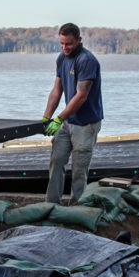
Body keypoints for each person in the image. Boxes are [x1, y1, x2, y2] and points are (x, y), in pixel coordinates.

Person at [41, 23, 103, 205]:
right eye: (61, 43)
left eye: (68, 44)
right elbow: (56, 90)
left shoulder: (87, 60)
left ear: (78, 40)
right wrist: (46, 117)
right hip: (67, 122)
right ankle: (51, 204)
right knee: (57, 161)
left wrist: (59, 118)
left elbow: (81, 96)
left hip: (86, 124)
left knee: (79, 169)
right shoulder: (62, 58)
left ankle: (77, 208)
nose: (64, 48)